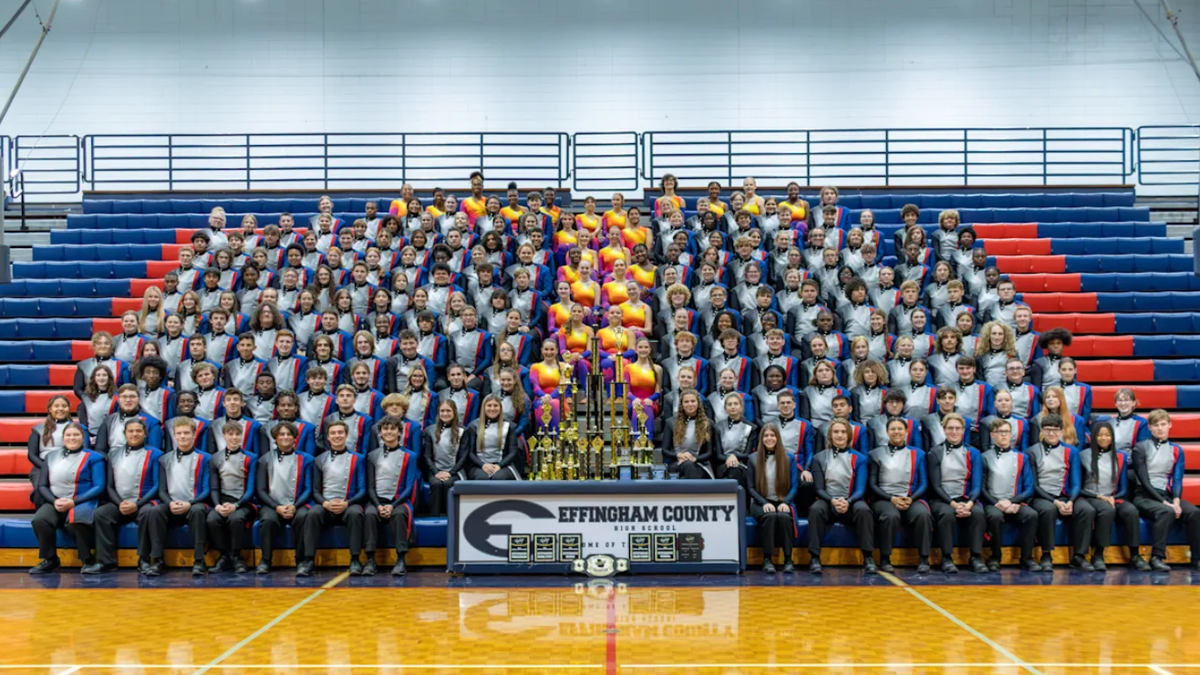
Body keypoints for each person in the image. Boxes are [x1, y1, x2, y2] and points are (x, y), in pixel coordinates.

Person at [28, 423, 104, 575]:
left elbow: (99, 486)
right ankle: (50, 559)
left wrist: (73, 502)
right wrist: (54, 501)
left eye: (76, 435)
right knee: (40, 520)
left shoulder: (95, 457)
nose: (72, 438)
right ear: (63, 438)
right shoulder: (51, 457)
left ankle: (87, 559)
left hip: (81, 500)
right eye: (68, 435)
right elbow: (42, 485)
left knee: (77, 521)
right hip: (57, 500)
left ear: (83, 437)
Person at [90, 418, 162, 574]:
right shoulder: (113, 454)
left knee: (148, 513)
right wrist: (120, 503)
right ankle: (105, 561)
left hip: (144, 502)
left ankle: (144, 560)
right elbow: (109, 486)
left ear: (145, 434)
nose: (134, 434)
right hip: (120, 502)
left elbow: (157, 485)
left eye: (138, 431)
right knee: (101, 514)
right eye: (131, 431)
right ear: (125, 434)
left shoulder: (156, 454)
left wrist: (137, 504)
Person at [1131, 409, 1200, 571]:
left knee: (1194, 512)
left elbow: (1177, 478)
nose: (1160, 428)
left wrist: (1176, 500)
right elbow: (1144, 481)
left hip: (1167, 495)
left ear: (1170, 425)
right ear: (1150, 427)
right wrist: (1165, 503)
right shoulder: (1140, 448)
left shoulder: (1176, 450)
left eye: (1163, 424)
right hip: (1144, 495)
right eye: (1156, 425)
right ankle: (1156, 557)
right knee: (1166, 511)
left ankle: (1197, 558)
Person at [1079, 420, 1150, 571]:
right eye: (1100, 435)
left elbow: (1123, 488)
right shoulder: (1083, 455)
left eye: (1107, 435)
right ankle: (1098, 554)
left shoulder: (1120, 456)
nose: (1104, 438)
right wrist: (1100, 497)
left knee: (1131, 511)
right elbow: (1079, 488)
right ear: (1093, 436)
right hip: (1091, 497)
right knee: (1107, 510)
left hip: (1113, 497)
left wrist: (1113, 497)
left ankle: (1135, 555)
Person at [807, 418, 875, 575]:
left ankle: (868, 557)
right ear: (830, 435)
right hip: (828, 500)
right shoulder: (819, 458)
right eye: (836, 432)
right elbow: (819, 488)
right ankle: (814, 558)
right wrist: (833, 501)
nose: (839, 435)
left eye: (843, 432)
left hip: (851, 501)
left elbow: (861, 489)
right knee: (815, 510)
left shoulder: (860, 459)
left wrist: (848, 501)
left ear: (849, 435)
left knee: (864, 511)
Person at [146, 420, 212, 576]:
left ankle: (199, 561)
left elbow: (207, 489)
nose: (183, 436)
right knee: (155, 511)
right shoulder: (164, 459)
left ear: (194, 435)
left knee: (198, 511)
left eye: (186, 433)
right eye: (179, 433)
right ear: (174, 436)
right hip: (172, 505)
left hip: (194, 504)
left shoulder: (205, 458)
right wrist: (170, 503)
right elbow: (162, 489)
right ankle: (157, 560)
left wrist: (190, 504)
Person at [1025, 413, 1090, 571]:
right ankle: (1046, 555)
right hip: (1042, 496)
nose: (1052, 433)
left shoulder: (1072, 451)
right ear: (1042, 431)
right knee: (1048, 510)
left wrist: (1071, 501)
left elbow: (1076, 482)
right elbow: (1034, 485)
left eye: (1055, 429)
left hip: (1066, 495)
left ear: (1061, 431)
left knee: (1086, 510)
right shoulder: (1031, 452)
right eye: (1048, 429)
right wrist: (1055, 502)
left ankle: (1079, 556)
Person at [868, 418, 932, 573]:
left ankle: (924, 558)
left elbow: (924, 482)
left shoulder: (919, 454)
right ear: (887, 432)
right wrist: (892, 499)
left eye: (900, 429)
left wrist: (911, 499)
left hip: (911, 497)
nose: (896, 432)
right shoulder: (876, 454)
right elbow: (872, 484)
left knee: (923, 514)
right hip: (885, 498)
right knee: (890, 516)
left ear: (906, 432)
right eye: (893, 429)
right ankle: (885, 558)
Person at [927, 414, 988, 574]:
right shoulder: (935, 452)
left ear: (963, 430)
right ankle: (947, 557)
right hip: (942, 499)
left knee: (978, 513)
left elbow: (977, 484)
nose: (954, 431)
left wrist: (969, 503)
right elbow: (936, 485)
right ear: (944, 430)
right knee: (946, 514)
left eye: (957, 428)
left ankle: (976, 557)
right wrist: (954, 504)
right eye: (950, 428)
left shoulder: (973, 453)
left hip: (966, 498)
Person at [306, 421, 368, 576]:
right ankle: (308, 560)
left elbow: (362, 489)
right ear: (328, 437)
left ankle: (355, 559)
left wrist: (347, 503)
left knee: (356, 514)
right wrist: (325, 503)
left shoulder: (358, 459)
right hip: (327, 503)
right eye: (333, 433)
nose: (337, 436)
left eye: (340, 432)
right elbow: (315, 490)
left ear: (346, 435)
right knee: (312, 514)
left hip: (349, 503)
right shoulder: (319, 459)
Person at [255, 422, 314, 575]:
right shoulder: (265, 459)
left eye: (289, 434)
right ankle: (265, 560)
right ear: (275, 438)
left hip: (297, 504)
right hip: (273, 504)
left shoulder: (306, 459)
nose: (285, 437)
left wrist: (295, 506)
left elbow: (308, 488)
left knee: (304, 517)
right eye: (281, 434)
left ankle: (301, 560)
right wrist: (277, 507)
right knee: (268, 520)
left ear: (295, 438)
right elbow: (261, 490)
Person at [981, 418, 1040, 571]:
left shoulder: (1022, 457)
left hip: (1015, 501)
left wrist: (1013, 502)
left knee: (1031, 515)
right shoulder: (985, 457)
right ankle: (995, 557)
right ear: (992, 435)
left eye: (1007, 432)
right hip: (993, 502)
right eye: (1000, 432)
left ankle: (1026, 558)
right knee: (995, 517)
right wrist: (997, 503)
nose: (1004, 435)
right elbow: (982, 488)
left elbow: (1029, 488)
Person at [365, 416, 420, 576]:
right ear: (380, 433)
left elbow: (409, 487)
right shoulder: (372, 455)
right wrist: (378, 506)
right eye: (385, 429)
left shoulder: (410, 456)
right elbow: (370, 486)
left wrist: (392, 505)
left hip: (398, 500)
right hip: (377, 501)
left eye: (393, 428)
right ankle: (370, 559)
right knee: (369, 514)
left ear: (399, 432)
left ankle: (401, 559)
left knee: (399, 515)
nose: (389, 432)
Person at [205, 422, 258, 575]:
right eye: (230, 434)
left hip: (244, 501)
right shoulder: (215, 458)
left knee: (236, 519)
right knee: (212, 519)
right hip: (222, 500)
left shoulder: (251, 457)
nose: (234, 437)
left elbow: (251, 489)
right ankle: (224, 555)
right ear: (224, 436)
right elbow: (214, 487)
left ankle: (236, 556)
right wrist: (217, 505)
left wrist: (236, 505)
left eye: (237, 434)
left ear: (241, 436)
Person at [456, 395, 524, 480]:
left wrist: (499, 466)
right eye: (489, 405)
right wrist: (483, 465)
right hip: (478, 465)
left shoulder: (509, 426)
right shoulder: (474, 426)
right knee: (482, 478)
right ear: (483, 407)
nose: (492, 408)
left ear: (500, 408)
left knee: (499, 477)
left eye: (495, 405)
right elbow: (470, 453)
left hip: (503, 465)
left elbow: (512, 452)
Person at [662, 389, 716, 479]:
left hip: (700, 463)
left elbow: (709, 452)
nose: (690, 404)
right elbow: (665, 450)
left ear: (698, 403)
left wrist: (694, 458)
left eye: (693, 401)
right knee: (688, 465)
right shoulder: (670, 422)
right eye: (686, 402)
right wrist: (679, 455)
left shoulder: (708, 423)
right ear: (681, 404)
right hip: (677, 462)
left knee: (687, 472)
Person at [422, 400, 462, 517]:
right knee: (436, 483)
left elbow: (463, 456)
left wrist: (451, 472)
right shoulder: (429, 430)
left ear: (454, 412)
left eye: (448, 411)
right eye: (442, 411)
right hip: (435, 470)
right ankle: (434, 516)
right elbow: (427, 455)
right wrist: (436, 472)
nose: (445, 414)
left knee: (448, 483)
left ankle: (451, 517)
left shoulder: (463, 431)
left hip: (455, 470)